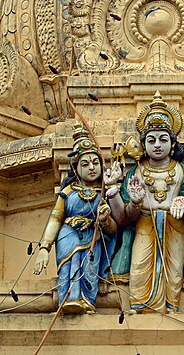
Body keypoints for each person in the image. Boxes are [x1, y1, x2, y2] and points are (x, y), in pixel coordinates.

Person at [107, 92, 184, 313]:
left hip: (176, 227)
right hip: (144, 225)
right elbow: (122, 218)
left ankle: (171, 308)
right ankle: (140, 309)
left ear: (173, 145)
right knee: (138, 267)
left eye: (163, 139)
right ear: (143, 145)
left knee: (174, 273)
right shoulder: (137, 171)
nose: (157, 145)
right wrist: (132, 202)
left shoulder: (180, 170)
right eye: (151, 140)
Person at [33, 126, 117, 314]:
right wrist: (44, 248)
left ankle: (87, 300)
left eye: (95, 162)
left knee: (89, 267)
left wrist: (104, 220)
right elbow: (55, 219)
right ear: (75, 168)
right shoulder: (68, 192)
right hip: (68, 234)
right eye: (85, 164)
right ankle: (69, 299)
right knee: (68, 265)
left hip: (91, 236)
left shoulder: (104, 194)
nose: (92, 167)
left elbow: (113, 230)